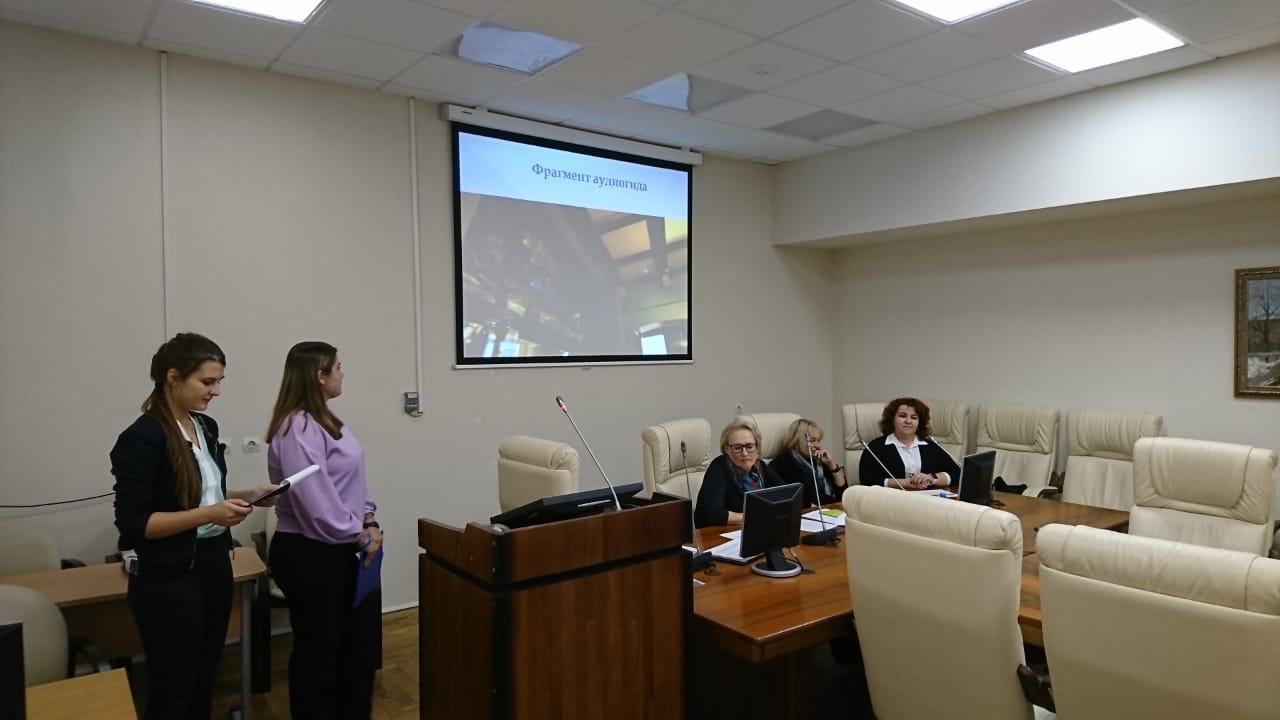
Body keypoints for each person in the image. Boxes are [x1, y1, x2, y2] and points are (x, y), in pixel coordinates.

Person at [112, 332, 276, 719]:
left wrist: (250, 494)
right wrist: (209, 515)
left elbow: (204, 494)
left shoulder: (205, 427)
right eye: (207, 382)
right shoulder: (142, 438)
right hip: (170, 577)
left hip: (213, 565)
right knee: (174, 690)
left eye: (219, 381)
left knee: (204, 679)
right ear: (173, 378)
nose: (216, 391)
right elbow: (136, 524)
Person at [265, 341, 381, 720]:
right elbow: (316, 504)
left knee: (356, 651)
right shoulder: (296, 428)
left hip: (344, 545)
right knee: (321, 654)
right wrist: (358, 534)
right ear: (319, 375)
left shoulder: (327, 418)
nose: (343, 373)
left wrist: (369, 520)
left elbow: (353, 482)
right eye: (338, 366)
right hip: (311, 554)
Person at [694, 420, 785, 527]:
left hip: (753, 528)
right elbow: (715, 515)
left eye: (750, 447)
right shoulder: (719, 467)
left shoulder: (759, 467)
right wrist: (756, 516)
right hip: (716, 533)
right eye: (737, 448)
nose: (745, 453)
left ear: (757, 448)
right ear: (727, 449)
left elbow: (786, 494)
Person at [858, 397, 961, 489]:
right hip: (891, 500)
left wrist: (931, 478)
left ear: (919, 422)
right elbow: (867, 480)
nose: (908, 421)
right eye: (902, 416)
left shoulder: (931, 446)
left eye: (914, 417)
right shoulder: (875, 447)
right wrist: (905, 483)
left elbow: (958, 474)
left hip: (928, 499)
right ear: (892, 419)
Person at [769, 418, 848, 507]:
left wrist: (832, 465)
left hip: (833, 509)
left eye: (818, 440)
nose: (818, 446)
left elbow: (844, 493)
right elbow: (789, 499)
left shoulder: (819, 460)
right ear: (797, 440)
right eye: (812, 441)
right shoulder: (781, 464)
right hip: (809, 513)